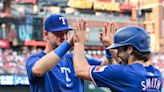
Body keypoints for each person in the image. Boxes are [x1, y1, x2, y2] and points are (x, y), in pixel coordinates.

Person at [26, 14, 113, 92]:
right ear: (46, 34)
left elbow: (104, 66)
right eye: (58, 33)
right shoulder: (35, 59)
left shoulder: (74, 58)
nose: (64, 37)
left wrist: (109, 47)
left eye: (66, 33)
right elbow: (37, 70)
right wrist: (68, 43)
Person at [73, 24, 163, 92]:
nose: (118, 53)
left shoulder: (123, 73)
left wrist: (79, 43)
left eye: (119, 49)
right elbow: (125, 68)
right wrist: (111, 46)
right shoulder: (156, 74)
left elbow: (81, 70)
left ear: (130, 49)